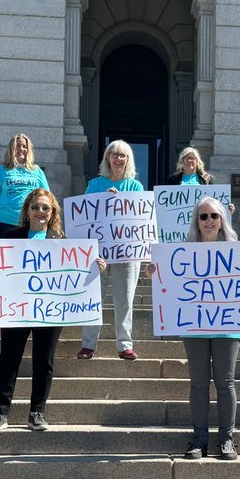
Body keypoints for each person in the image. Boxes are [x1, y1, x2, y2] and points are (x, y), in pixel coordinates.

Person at [147, 196, 240, 460]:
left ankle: (227, 439)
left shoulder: (239, 251)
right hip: (194, 326)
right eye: (203, 216)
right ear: (196, 221)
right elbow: (171, 286)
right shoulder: (182, 252)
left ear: (222, 220)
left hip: (229, 326)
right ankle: (199, 439)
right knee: (198, 383)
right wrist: (156, 274)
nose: (209, 221)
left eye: (214, 216)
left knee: (225, 382)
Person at [0, 188, 105, 433]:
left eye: (46, 208)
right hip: (17, 308)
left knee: (44, 360)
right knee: (8, 359)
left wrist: (96, 267)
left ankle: (37, 413)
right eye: (35, 207)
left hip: (50, 310)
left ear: (53, 213)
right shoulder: (11, 238)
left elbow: (76, 276)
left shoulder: (62, 243)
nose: (40, 212)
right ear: (27, 211)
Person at [78, 139, 145, 361]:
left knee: (125, 299)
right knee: (93, 298)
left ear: (128, 160)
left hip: (127, 254)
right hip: (98, 253)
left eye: (122, 155)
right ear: (107, 158)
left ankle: (125, 345)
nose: (118, 158)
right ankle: (88, 345)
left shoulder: (135, 187)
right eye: (114, 154)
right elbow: (84, 218)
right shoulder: (94, 184)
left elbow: (139, 220)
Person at [0, 132, 49, 238]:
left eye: (24, 146)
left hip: (32, 223)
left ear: (28, 150)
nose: (21, 149)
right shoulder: (0, 171)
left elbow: (47, 198)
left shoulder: (37, 171)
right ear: (11, 149)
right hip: (5, 223)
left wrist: (48, 221)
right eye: (17, 146)